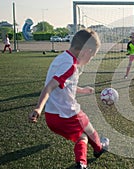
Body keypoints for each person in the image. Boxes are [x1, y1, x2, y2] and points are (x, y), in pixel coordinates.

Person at [28, 29, 109, 169]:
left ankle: (82, 163)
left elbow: (63, 85)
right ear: (86, 52)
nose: (90, 60)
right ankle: (98, 148)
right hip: (68, 114)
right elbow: (49, 87)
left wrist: (82, 90)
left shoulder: (60, 58)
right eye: (92, 56)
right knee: (87, 132)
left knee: (80, 135)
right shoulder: (70, 66)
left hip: (52, 117)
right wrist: (38, 107)